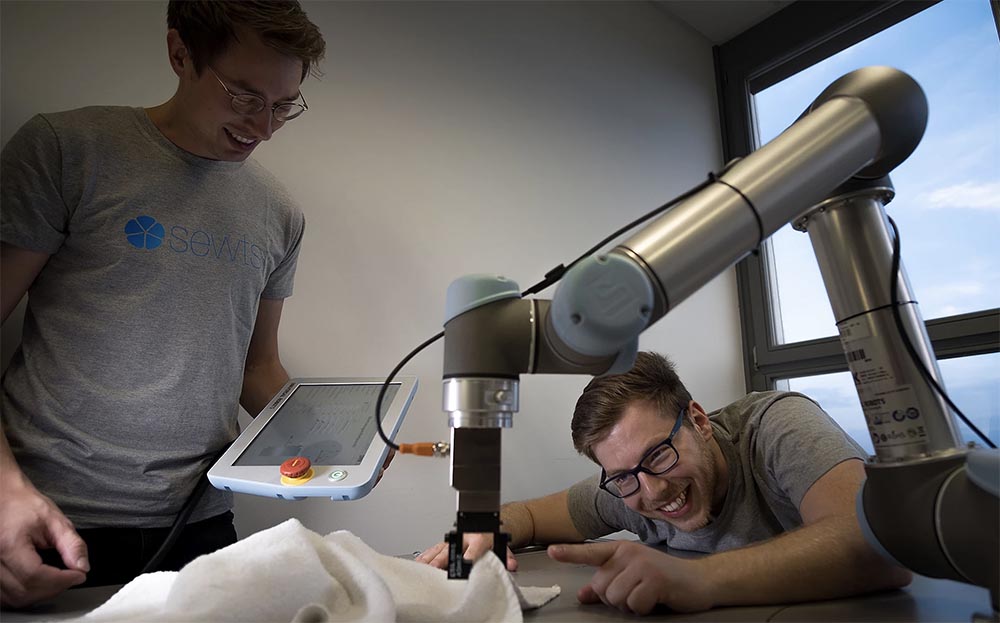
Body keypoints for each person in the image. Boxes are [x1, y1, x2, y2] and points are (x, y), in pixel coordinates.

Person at [1, 1, 326, 609]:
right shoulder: (67, 150)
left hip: (200, 526)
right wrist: (4, 493)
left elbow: (257, 369)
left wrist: (334, 447)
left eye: (284, 105)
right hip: (46, 518)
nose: (263, 128)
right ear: (180, 53)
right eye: (244, 96)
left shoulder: (279, 211)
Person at [417, 351, 912, 615]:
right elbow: (525, 516)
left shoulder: (778, 428)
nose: (652, 493)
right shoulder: (628, 490)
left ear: (697, 420)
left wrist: (699, 579)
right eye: (623, 476)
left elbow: (879, 547)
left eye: (659, 454)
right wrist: (483, 527)